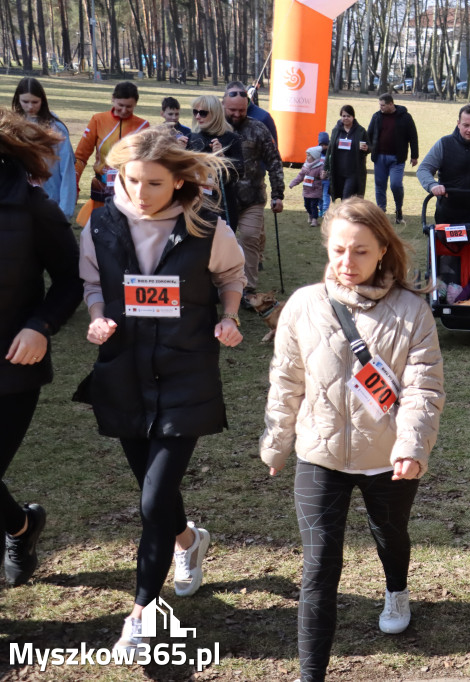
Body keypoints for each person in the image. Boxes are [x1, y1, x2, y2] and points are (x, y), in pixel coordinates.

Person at [260, 197, 444, 682]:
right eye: (339, 250)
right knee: (319, 569)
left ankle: (396, 588)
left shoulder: (412, 311)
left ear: (383, 249)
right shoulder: (303, 305)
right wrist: (277, 442)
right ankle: (310, 674)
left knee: (391, 536)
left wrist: (410, 447)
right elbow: (287, 380)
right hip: (319, 456)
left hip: (388, 458)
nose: (347, 263)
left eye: (361, 251)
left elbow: (423, 389)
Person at [77, 127, 245, 653]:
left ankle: (143, 613)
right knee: (158, 496)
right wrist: (99, 319)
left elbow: (231, 274)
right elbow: (93, 284)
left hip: (185, 374)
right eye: (131, 182)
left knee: (152, 499)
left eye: (154, 183)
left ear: (178, 180)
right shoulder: (101, 223)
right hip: (123, 372)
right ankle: (190, 541)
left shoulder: (206, 225)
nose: (142, 194)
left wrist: (230, 317)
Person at [0, 110, 82, 587]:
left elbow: (71, 279)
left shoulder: (31, 207)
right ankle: (21, 525)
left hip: (11, 369)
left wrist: (41, 326)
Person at [223, 85, 285, 295]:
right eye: (233, 110)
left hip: (253, 197)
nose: (237, 114)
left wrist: (278, 194)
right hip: (221, 199)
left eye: (242, 110)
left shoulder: (258, 128)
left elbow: (274, 161)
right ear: (224, 105)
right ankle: (221, 284)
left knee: (249, 237)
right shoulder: (215, 127)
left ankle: (248, 289)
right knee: (221, 241)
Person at [74, 81, 150, 226]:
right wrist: (74, 184)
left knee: (127, 230)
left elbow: (146, 161)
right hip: (102, 186)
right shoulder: (98, 120)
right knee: (99, 230)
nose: (123, 110)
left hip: (130, 188)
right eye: (120, 105)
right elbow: (80, 156)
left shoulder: (143, 125)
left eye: (129, 107)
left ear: (135, 104)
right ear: (113, 99)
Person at [11, 77, 77, 219]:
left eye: (35, 102)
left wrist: (65, 209)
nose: (30, 107)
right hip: (19, 201)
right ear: (18, 99)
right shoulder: (12, 125)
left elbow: (67, 169)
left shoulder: (56, 128)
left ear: (43, 100)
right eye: (25, 102)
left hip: (50, 199)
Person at [186, 95, 243, 230]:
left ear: (215, 114)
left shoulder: (231, 139)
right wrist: (177, 152)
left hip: (222, 205)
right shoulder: (190, 138)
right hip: (195, 203)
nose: (198, 116)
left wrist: (222, 158)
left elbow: (240, 172)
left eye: (203, 113)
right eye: (195, 112)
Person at [366, 94, 419, 224]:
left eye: (383, 105)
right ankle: (381, 213)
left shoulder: (405, 117)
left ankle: (398, 210)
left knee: (395, 185)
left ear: (391, 104)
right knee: (380, 186)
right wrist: (367, 149)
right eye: (380, 105)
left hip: (397, 159)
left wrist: (414, 155)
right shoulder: (377, 116)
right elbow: (369, 134)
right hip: (379, 158)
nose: (381, 107)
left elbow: (413, 136)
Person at [324, 104, 369, 202]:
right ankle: (349, 215)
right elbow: (329, 150)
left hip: (353, 171)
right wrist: (325, 168)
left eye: (348, 116)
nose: (346, 118)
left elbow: (370, 146)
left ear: (353, 117)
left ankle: (345, 216)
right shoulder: (336, 130)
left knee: (346, 197)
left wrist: (366, 148)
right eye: (344, 116)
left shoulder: (360, 131)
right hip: (338, 171)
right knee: (342, 196)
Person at [289, 146, 325, 226]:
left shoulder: (320, 166)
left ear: (315, 157)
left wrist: (324, 176)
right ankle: (310, 215)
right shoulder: (305, 166)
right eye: (307, 155)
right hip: (306, 191)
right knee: (307, 205)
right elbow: (300, 176)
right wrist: (293, 183)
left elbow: (323, 176)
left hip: (315, 190)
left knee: (314, 205)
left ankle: (314, 220)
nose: (307, 157)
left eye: (309, 155)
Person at [318, 131, 331, 216]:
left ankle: (325, 211)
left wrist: (328, 174)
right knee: (319, 196)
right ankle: (320, 209)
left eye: (325, 145)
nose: (323, 147)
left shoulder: (330, 153)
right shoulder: (316, 153)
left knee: (326, 195)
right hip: (318, 179)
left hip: (327, 179)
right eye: (321, 145)